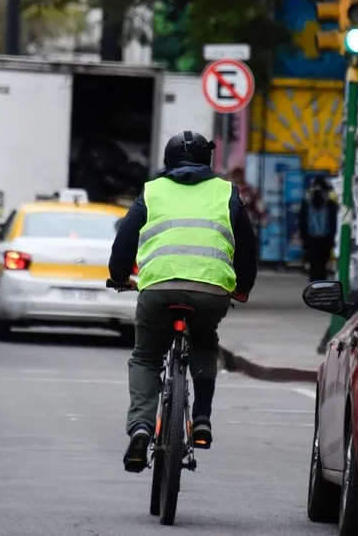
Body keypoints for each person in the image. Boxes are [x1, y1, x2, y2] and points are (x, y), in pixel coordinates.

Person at [109, 130, 258, 473]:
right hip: (211, 292)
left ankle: (143, 427)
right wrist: (243, 287)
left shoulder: (152, 191)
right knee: (205, 342)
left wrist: (119, 276)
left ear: (167, 160)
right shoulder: (226, 192)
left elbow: (125, 241)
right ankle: (201, 418)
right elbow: (247, 247)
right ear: (207, 161)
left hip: (158, 289)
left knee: (146, 356)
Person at [298, 176, 339, 282]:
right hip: (326, 238)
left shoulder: (306, 203)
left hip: (310, 238)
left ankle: (313, 284)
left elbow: (302, 222)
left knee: (313, 264)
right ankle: (322, 284)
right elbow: (333, 223)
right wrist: (332, 239)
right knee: (322, 263)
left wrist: (303, 238)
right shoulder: (330, 204)